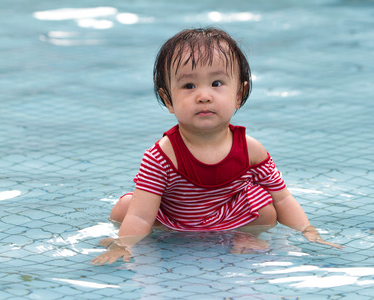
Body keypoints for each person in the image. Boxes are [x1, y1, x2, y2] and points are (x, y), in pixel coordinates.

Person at [91, 27, 342, 266]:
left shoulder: (250, 150)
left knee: (266, 207)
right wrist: (122, 245)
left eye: (217, 83)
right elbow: (140, 216)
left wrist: (308, 232)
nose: (204, 96)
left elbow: (284, 198)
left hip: (231, 221)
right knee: (126, 208)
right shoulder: (162, 156)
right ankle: (173, 239)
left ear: (239, 95)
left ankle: (243, 236)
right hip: (174, 221)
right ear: (168, 100)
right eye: (189, 86)